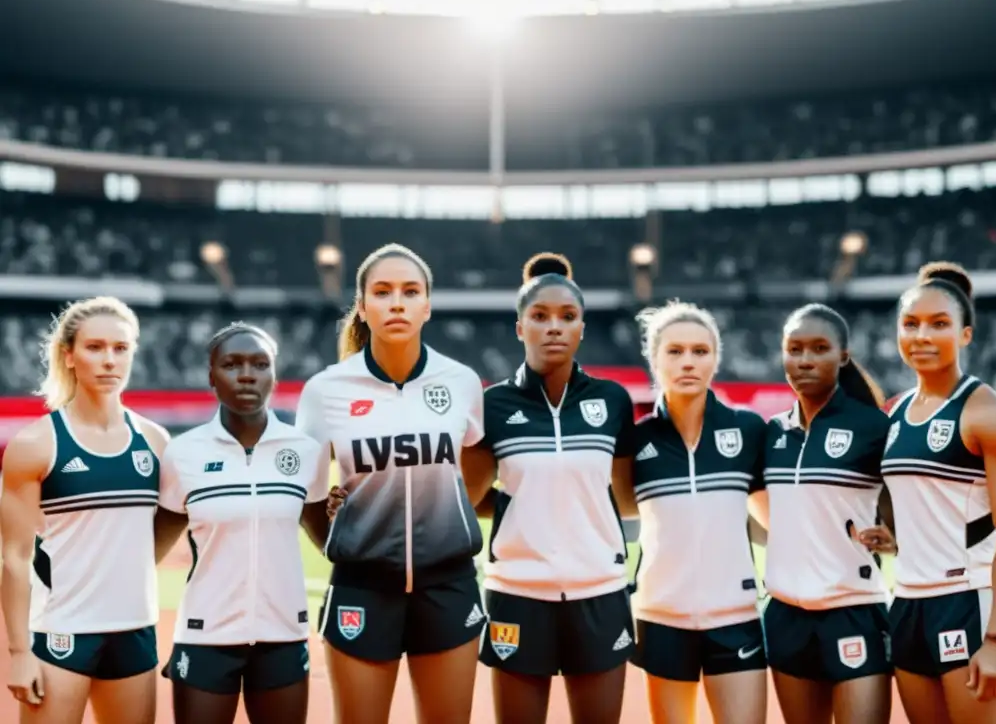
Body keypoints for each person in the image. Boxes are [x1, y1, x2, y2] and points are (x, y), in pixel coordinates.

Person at [295, 243, 487, 724]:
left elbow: (474, 473)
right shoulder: (325, 390)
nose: (396, 303)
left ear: (428, 305)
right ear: (362, 306)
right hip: (362, 590)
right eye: (382, 292)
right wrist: (347, 544)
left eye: (410, 291)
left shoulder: (462, 381)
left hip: (448, 586)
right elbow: (309, 498)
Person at [461, 253, 637, 724]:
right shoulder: (492, 404)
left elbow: (623, 495)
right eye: (539, 317)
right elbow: (467, 494)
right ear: (520, 328)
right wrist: (518, 506)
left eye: (567, 317)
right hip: (517, 592)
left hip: (600, 590)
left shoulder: (613, 401)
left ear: (582, 327)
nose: (554, 327)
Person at [1, 297, 168, 724]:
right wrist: (19, 652)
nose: (109, 360)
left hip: (135, 630)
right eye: (95, 347)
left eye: (121, 348)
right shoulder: (36, 445)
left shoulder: (155, 441)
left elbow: (174, 523)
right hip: (62, 630)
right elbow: (15, 558)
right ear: (68, 355)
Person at [155, 323, 332, 724]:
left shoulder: (306, 452)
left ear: (274, 374)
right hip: (204, 637)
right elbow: (149, 548)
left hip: (283, 636)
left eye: (260, 363)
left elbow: (329, 541)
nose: (247, 373)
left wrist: (352, 512)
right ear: (211, 377)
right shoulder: (182, 454)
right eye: (232, 364)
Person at [883, 262, 996, 724]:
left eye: (939, 324)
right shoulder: (896, 411)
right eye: (911, 324)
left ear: (965, 335)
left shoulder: (989, 414)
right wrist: (896, 537)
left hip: (968, 602)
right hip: (906, 603)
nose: (922, 335)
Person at [751, 303, 894, 724]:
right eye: (794, 349)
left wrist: (898, 539)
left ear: (843, 356)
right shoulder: (772, 432)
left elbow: (915, 505)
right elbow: (765, 508)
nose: (805, 359)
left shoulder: (873, 426)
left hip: (854, 611)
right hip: (785, 616)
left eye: (819, 348)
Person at [627, 301, 768, 724]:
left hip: (736, 616)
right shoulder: (635, 441)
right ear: (654, 359)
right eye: (674, 351)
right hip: (659, 618)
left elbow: (777, 522)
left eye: (700, 351)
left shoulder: (748, 430)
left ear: (716, 358)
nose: (688, 361)